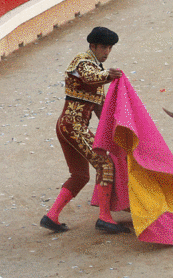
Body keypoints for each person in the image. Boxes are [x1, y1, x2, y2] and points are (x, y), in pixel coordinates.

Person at [41, 26, 129, 234]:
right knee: (105, 164)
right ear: (93, 46)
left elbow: (101, 108)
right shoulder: (83, 61)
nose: (107, 51)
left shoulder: (97, 69)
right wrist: (109, 75)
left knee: (80, 175)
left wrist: (117, 129)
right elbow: (90, 77)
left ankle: (51, 216)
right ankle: (105, 217)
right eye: (104, 47)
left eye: (110, 48)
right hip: (73, 126)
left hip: (68, 126)